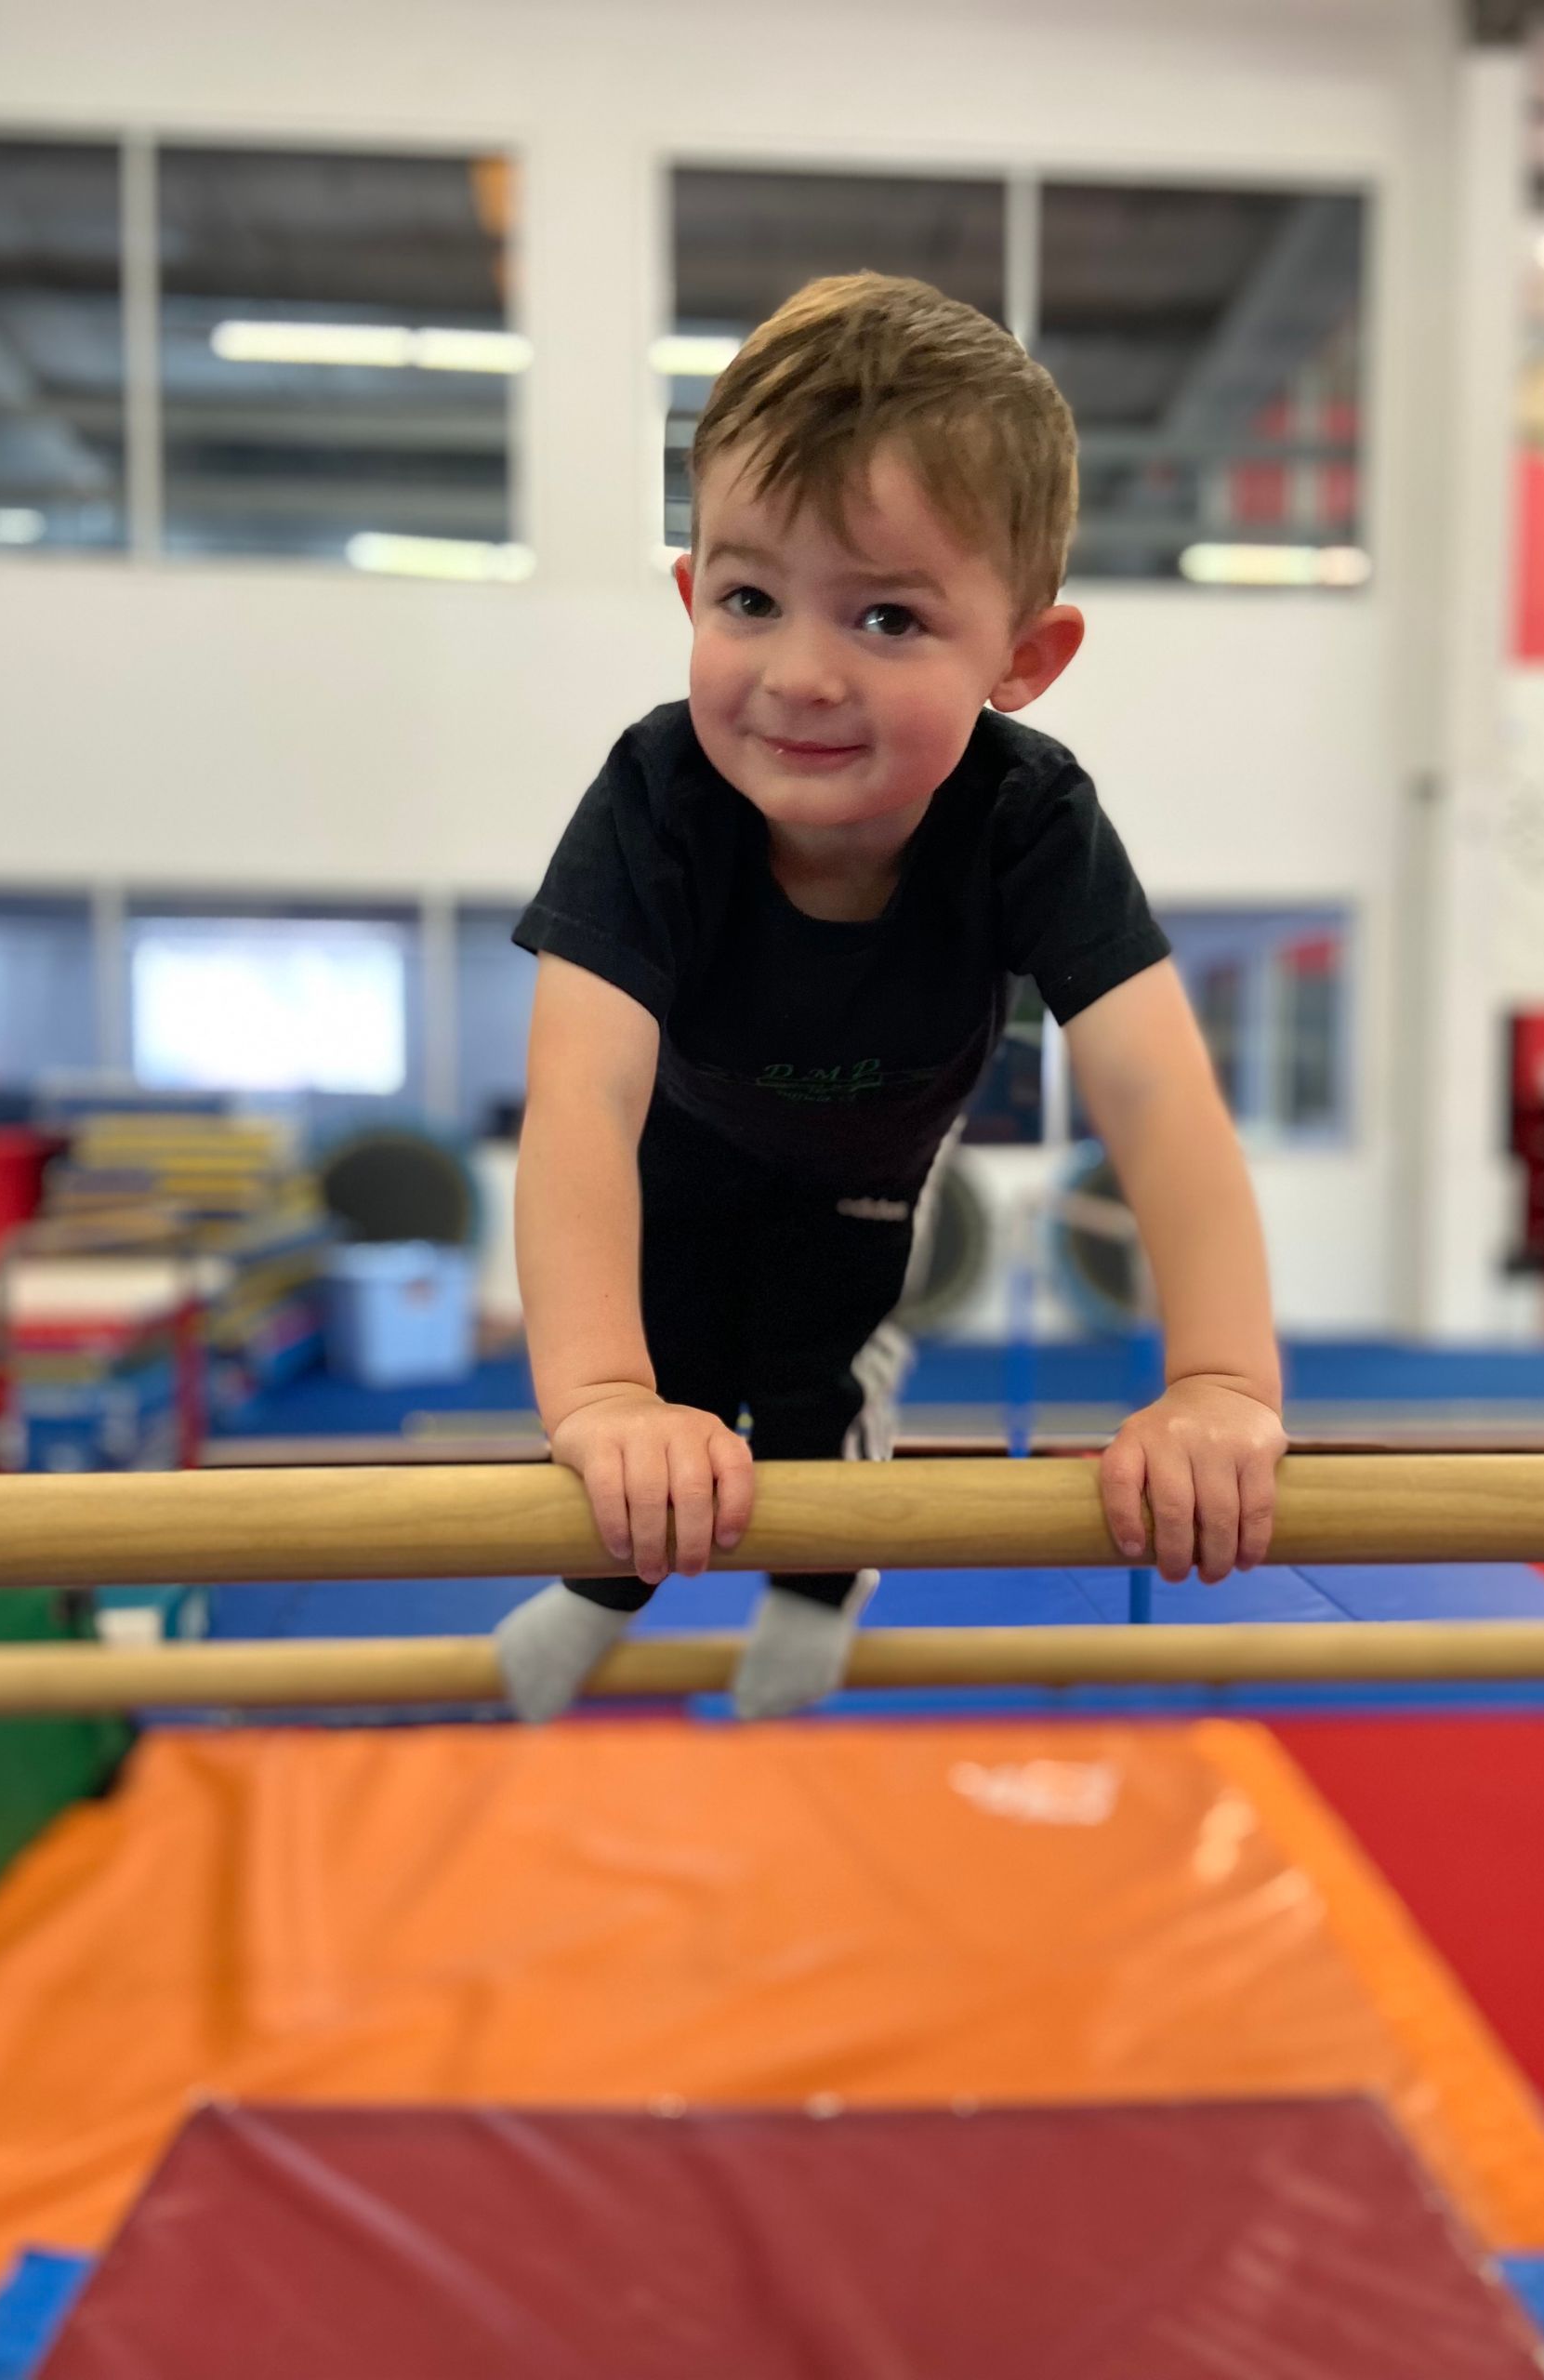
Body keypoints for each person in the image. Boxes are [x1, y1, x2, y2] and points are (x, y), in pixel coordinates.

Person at [498, 271, 1287, 1724]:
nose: (800, 674)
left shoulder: (1027, 818)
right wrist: (604, 1398)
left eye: (887, 620)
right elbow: (579, 1097)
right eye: (750, 599)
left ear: (1023, 661)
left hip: (861, 1188)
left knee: (807, 1396)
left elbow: (1158, 1095)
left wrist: (1223, 1380)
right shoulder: (658, 797)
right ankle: (602, 1593)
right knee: (658, 1410)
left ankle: (818, 1592)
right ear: (691, 594)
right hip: (670, 1161)